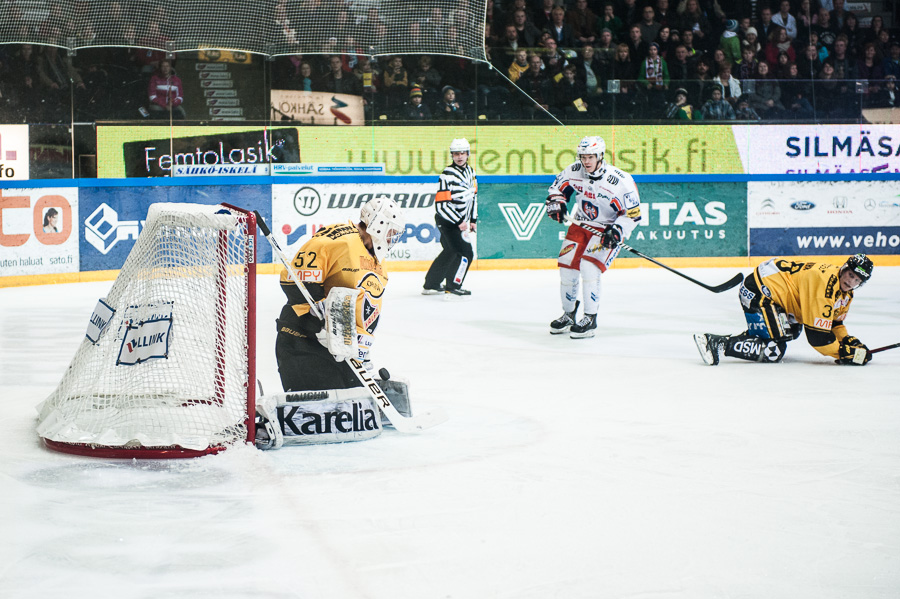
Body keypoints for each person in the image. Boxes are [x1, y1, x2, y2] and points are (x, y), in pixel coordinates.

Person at [275, 197, 405, 392]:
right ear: (378, 225)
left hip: (342, 350)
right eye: (390, 232)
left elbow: (367, 308)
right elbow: (295, 281)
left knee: (353, 409)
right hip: (303, 342)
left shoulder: (379, 262)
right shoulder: (339, 240)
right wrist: (318, 323)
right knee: (326, 411)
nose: (391, 238)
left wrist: (363, 351)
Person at [694, 255, 875, 366]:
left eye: (857, 280)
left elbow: (835, 323)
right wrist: (844, 353)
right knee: (774, 351)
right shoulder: (825, 287)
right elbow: (818, 339)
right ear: (844, 269)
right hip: (761, 292)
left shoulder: (845, 294)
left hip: (777, 293)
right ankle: (717, 343)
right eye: (850, 275)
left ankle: (749, 337)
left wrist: (849, 340)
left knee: (791, 331)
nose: (851, 282)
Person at [545, 136, 642, 339]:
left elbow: (633, 214)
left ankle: (590, 318)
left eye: (590, 157)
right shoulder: (574, 170)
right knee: (567, 269)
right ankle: (569, 314)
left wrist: (617, 231)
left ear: (600, 156)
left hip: (607, 230)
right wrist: (556, 202)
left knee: (589, 269)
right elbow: (556, 189)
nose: (586, 161)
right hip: (581, 224)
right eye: (583, 156)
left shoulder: (621, 181)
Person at [423, 138, 478, 296]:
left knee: (450, 251)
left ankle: (431, 284)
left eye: (462, 153)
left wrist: (472, 220)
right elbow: (441, 205)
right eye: (455, 154)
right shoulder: (447, 174)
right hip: (447, 222)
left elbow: (473, 197)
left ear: (467, 154)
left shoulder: (471, 172)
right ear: (452, 155)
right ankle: (453, 285)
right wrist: (459, 221)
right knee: (465, 253)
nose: (459, 157)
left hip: (459, 222)